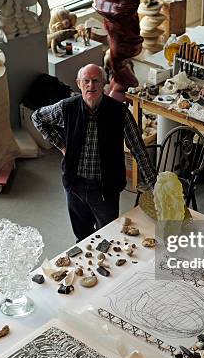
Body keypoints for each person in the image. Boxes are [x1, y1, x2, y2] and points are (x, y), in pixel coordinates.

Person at [32, 64, 156, 242]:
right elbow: (37, 117)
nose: (91, 85)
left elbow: (138, 150)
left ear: (104, 83)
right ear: (78, 83)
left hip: (105, 190)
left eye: (96, 80)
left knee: (107, 237)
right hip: (75, 186)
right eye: (86, 81)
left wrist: (155, 186)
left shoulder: (119, 113)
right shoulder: (66, 108)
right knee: (82, 237)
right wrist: (61, 145)